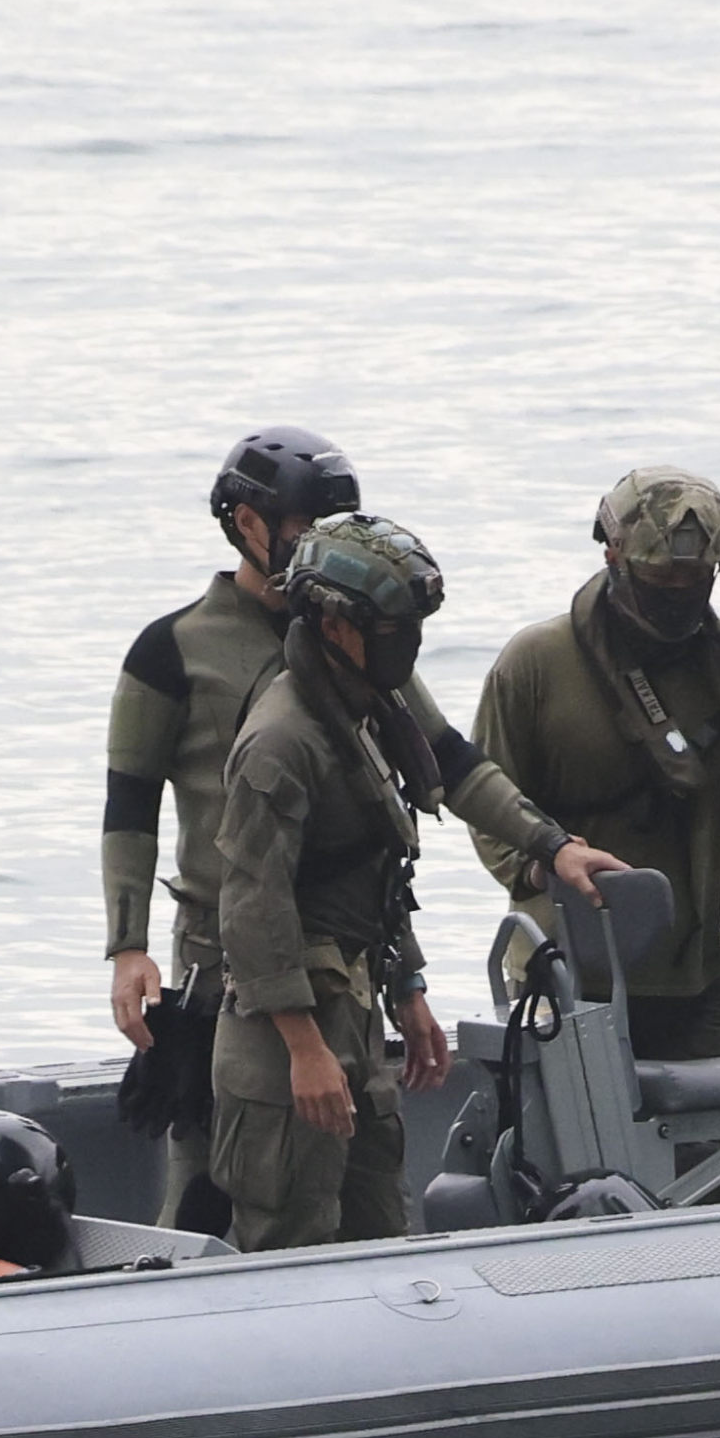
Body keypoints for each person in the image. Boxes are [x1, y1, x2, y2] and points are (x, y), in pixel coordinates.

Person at [211, 514, 622, 1251]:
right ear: (336, 624)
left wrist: (408, 985)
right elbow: (249, 909)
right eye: (395, 628)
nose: (410, 644)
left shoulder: (370, 704)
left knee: (380, 1227)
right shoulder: (282, 742)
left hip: (353, 1003)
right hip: (287, 1039)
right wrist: (304, 1050)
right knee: (292, 1235)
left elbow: (398, 837)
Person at [104, 429, 471, 1221]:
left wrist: (406, 976)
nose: (319, 546)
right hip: (222, 956)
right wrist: (127, 944)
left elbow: (395, 821)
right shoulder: (177, 653)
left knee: (354, 1181)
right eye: (305, 528)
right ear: (244, 521)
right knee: (219, 1172)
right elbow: (129, 806)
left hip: (340, 958)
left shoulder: (356, 666)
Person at [469, 469, 720, 1064]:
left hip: (697, 971)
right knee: (593, 1147)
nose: (680, 591)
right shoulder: (535, 665)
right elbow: (486, 803)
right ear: (613, 556)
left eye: (697, 577)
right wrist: (541, 866)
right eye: (662, 577)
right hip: (570, 973)